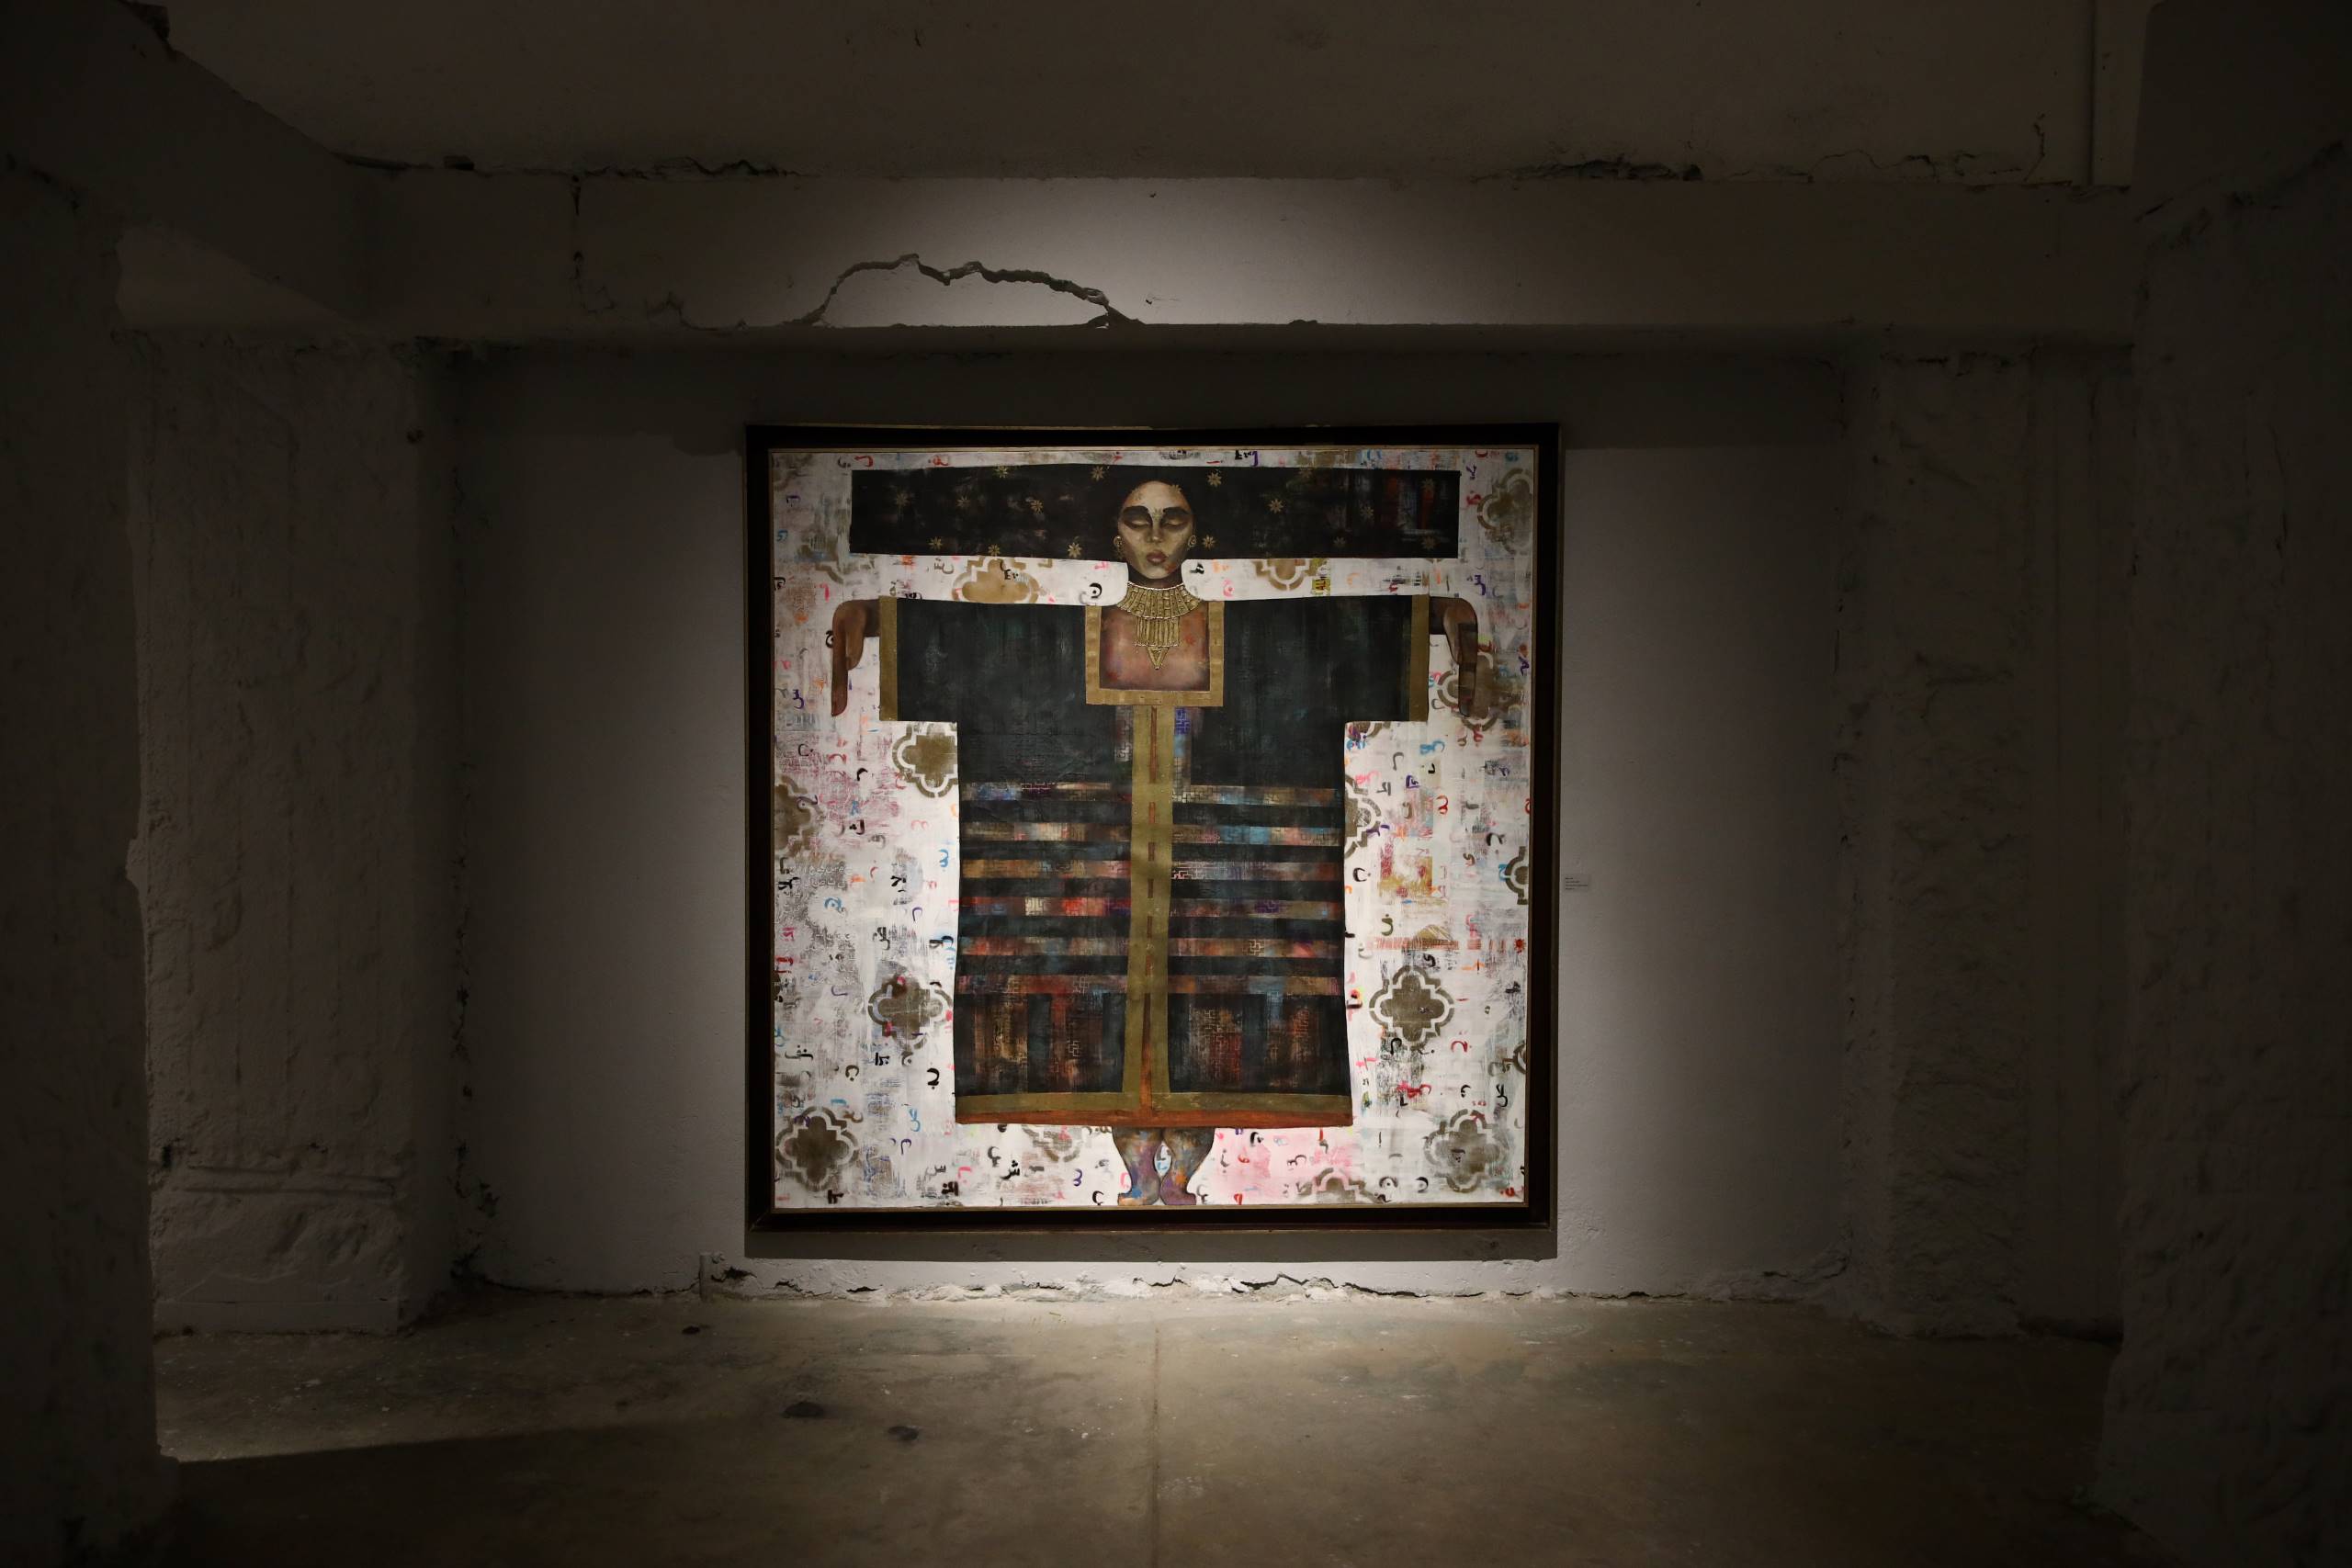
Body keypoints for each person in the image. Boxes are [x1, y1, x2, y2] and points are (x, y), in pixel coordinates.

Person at [831, 474, 1480, 1205]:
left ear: (1196, 533)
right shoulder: (1068, 640)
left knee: (1213, 1005)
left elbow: (1333, 632)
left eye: (1173, 520)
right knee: (1098, 1000)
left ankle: (1176, 1178)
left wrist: (1442, 616)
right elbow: (977, 641)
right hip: (1103, 894)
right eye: (1138, 520)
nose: (1156, 536)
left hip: (1214, 898)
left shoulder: (1249, 639)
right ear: (1116, 536)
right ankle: (1142, 1175)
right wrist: (869, 618)